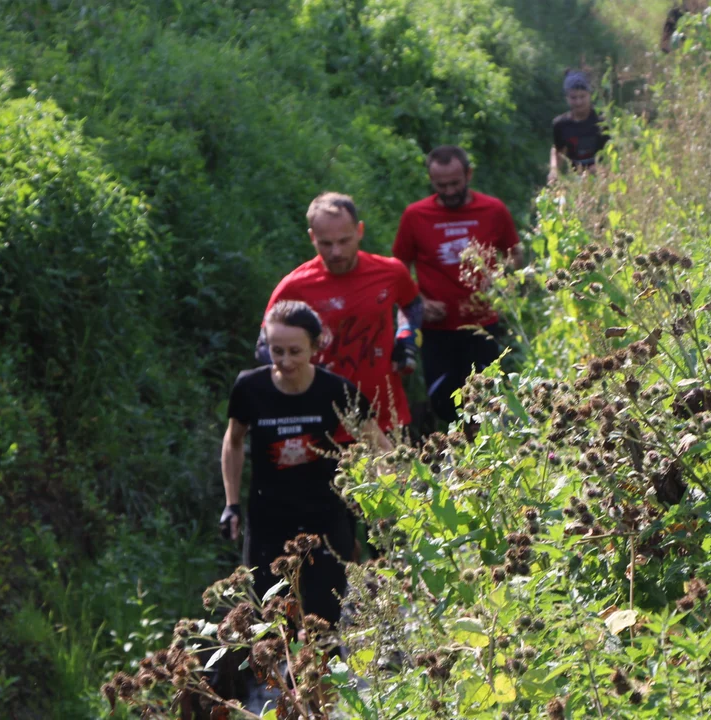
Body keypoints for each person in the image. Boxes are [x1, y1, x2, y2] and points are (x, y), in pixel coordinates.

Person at [221, 300, 390, 625]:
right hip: (269, 520)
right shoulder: (249, 388)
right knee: (271, 624)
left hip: (325, 520)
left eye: (295, 351)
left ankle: (322, 675)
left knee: (323, 622)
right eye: (276, 350)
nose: (285, 361)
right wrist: (231, 503)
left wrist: (390, 499)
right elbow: (234, 440)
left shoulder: (336, 390)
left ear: (315, 346)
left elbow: (380, 446)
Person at [257, 192, 422, 436]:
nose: (336, 252)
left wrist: (407, 337)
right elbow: (264, 345)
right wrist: (294, 379)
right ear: (312, 237)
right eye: (326, 243)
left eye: (344, 241)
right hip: (320, 425)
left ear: (360, 231)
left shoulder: (390, 273)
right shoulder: (295, 287)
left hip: (386, 419)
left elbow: (412, 304)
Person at [392, 145, 524, 426]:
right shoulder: (415, 216)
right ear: (431, 180)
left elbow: (514, 253)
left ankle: (482, 456)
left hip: (484, 325)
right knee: (443, 401)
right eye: (441, 185)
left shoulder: (493, 210)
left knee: (487, 399)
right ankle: (460, 450)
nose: (449, 191)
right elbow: (399, 266)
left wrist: (503, 284)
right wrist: (419, 302)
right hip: (437, 330)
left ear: (469, 174)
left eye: (455, 183)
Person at [548, 69, 610, 183]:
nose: (578, 102)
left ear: (589, 95)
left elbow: (613, 155)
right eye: (573, 98)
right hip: (575, 180)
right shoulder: (560, 124)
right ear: (567, 98)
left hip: (603, 179)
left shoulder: (602, 121)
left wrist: (598, 169)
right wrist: (554, 170)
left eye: (582, 96)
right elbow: (558, 150)